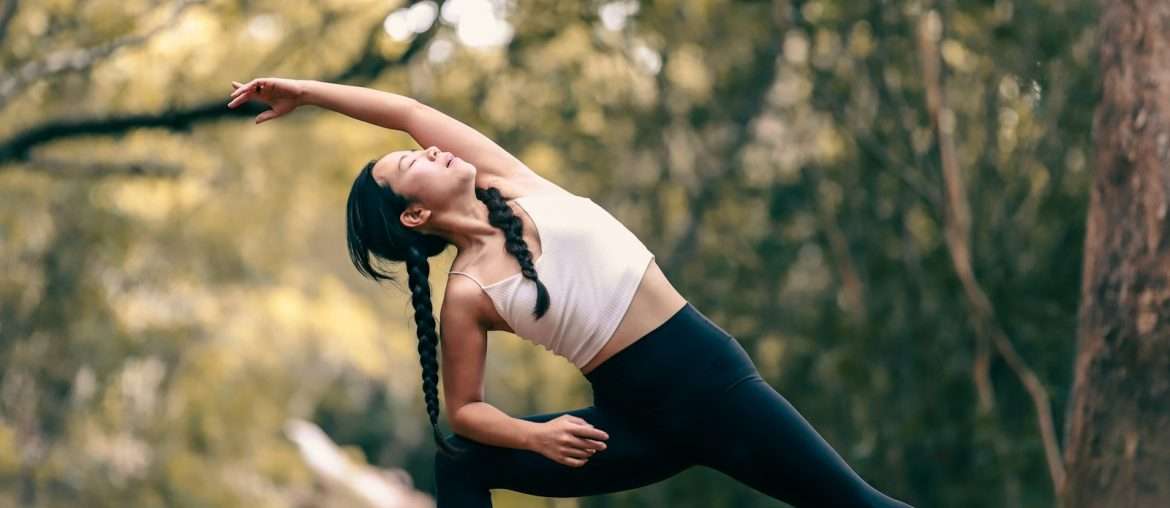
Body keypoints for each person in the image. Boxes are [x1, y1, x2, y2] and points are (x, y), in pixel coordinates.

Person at [226, 77, 914, 508]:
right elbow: (464, 411)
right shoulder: (467, 292)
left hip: (711, 384)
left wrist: (309, 94)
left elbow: (406, 109)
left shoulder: (511, 181)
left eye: (420, 148)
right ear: (414, 215)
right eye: (415, 163)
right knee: (458, 463)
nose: (429, 148)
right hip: (629, 422)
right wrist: (537, 434)